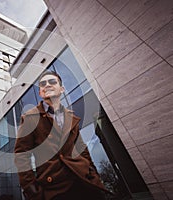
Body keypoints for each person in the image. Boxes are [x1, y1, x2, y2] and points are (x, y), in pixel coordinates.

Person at [14, 71, 109, 200]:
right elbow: (21, 157)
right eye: (43, 84)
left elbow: (83, 150)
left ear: (62, 89)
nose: (47, 85)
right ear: (40, 92)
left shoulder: (71, 117)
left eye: (52, 82)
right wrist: (34, 193)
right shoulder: (30, 118)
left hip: (85, 182)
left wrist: (94, 177)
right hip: (55, 190)